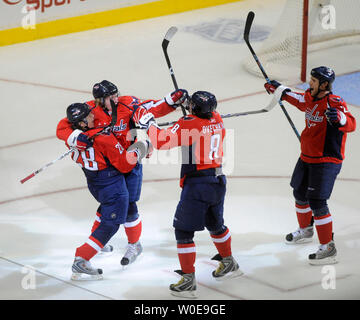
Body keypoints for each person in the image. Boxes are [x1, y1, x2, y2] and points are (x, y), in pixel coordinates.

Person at [56, 80, 188, 265]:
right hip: (109, 168)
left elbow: (150, 108)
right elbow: (63, 126)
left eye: (116, 94)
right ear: (100, 100)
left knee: (129, 205)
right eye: (112, 97)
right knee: (109, 204)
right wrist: (77, 137)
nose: (116, 99)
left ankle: (134, 244)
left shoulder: (127, 103)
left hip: (129, 162)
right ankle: (99, 240)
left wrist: (172, 100)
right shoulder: (89, 110)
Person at [136, 91, 243, 298]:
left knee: (183, 231)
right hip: (218, 180)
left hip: (198, 184)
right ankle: (229, 261)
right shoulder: (217, 118)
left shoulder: (188, 123)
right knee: (215, 224)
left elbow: (160, 141)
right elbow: (198, 119)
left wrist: (149, 122)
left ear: (194, 109)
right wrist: (189, 105)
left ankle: (187, 280)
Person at [264, 66, 356, 265]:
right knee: (299, 193)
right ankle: (306, 230)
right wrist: (279, 90)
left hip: (326, 160)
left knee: (317, 203)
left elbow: (351, 123)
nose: (309, 83)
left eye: (313, 81)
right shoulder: (309, 97)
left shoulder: (334, 102)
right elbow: (299, 100)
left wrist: (339, 118)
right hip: (307, 156)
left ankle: (328, 247)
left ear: (324, 85)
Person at [64, 102, 151, 280]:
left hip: (94, 182)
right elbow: (126, 164)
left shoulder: (73, 139)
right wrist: (143, 147)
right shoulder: (104, 139)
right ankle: (82, 258)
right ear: (81, 123)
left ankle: (99, 244)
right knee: (111, 223)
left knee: (105, 209)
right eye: (88, 116)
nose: (93, 116)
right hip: (112, 184)